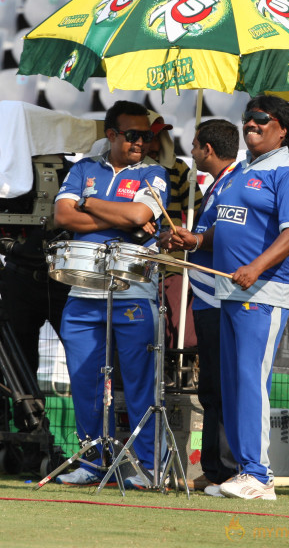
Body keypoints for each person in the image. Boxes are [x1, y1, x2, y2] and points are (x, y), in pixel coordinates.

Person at [162, 95, 289, 500]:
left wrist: (257, 268)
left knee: (249, 381)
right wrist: (193, 241)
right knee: (232, 383)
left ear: (281, 127)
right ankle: (245, 471)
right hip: (227, 292)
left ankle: (259, 475)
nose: (251, 124)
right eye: (247, 119)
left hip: (263, 292)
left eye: (261, 119)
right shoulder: (242, 170)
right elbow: (222, 227)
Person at [53, 101, 170, 487]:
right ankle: (92, 462)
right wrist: (117, 212)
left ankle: (148, 467)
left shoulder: (154, 173)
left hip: (134, 292)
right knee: (85, 380)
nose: (141, 142)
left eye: (147, 136)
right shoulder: (84, 168)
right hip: (83, 290)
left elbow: (140, 217)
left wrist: (87, 203)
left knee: (139, 382)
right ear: (112, 135)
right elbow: (63, 217)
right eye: (133, 135)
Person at [182, 119, 239, 494]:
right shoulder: (219, 183)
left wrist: (197, 238)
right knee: (211, 386)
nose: (191, 151)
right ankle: (214, 467)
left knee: (224, 383)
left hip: (223, 296)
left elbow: (231, 229)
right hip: (206, 293)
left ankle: (232, 469)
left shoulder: (237, 183)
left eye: (194, 145)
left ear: (208, 149)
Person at [0, 155, 72, 381]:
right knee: (18, 359)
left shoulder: (75, 173)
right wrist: (13, 248)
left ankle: (92, 415)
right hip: (20, 279)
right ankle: (23, 415)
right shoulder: (9, 176)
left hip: (66, 281)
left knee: (82, 355)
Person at [145, 110, 203, 354]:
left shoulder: (179, 170)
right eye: (151, 136)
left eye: (159, 137)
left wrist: (183, 236)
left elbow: (198, 213)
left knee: (183, 333)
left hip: (173, 261)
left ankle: (178, 372)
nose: (155, 143)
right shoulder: (124, 171)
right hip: (135, 261)